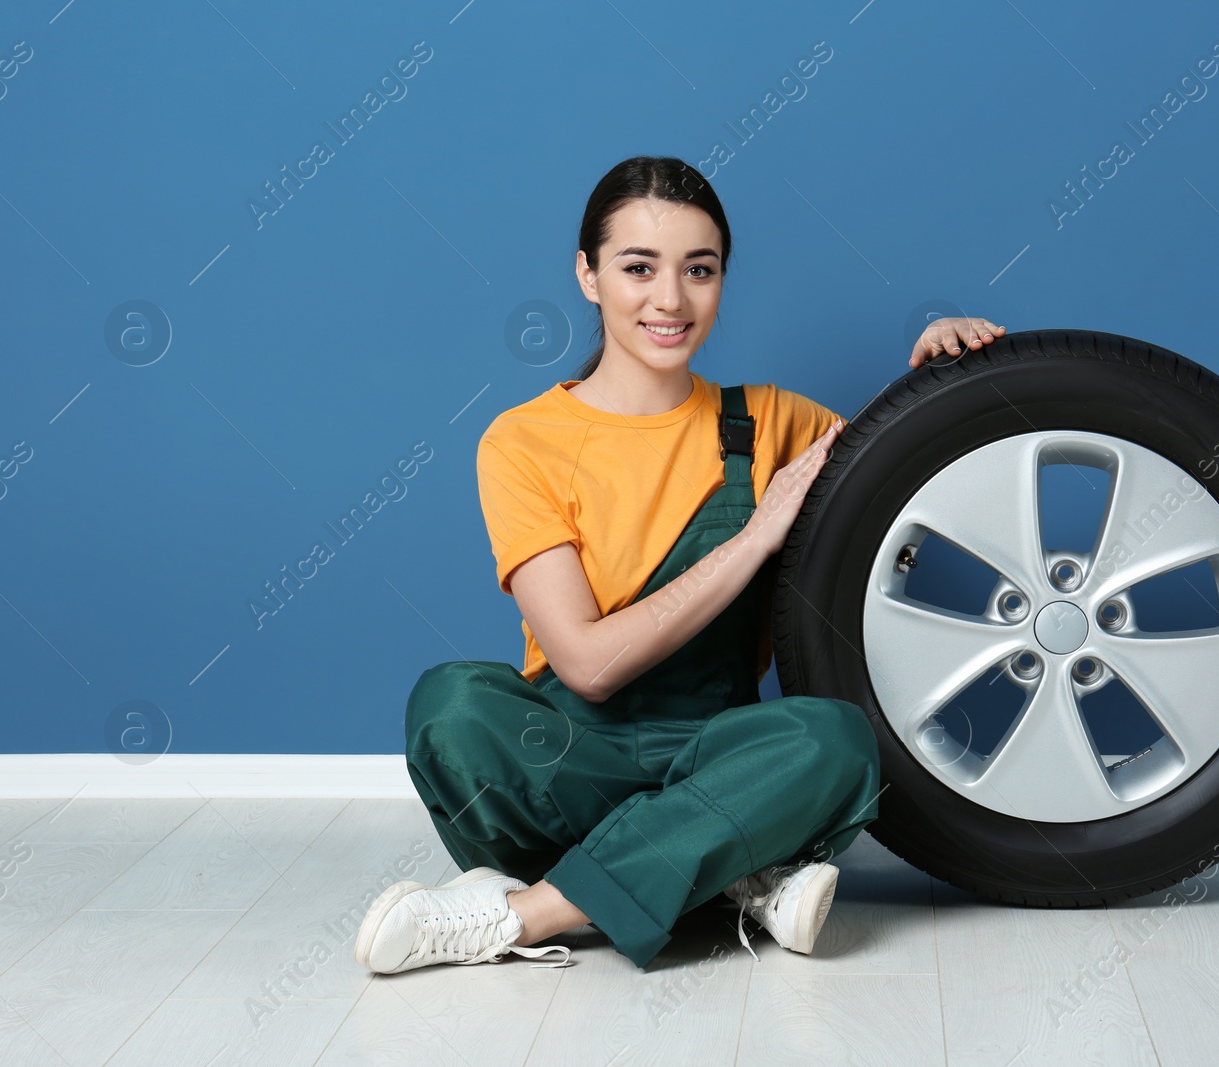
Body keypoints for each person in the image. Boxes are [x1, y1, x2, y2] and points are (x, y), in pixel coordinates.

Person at [353, 155, 1005, 974]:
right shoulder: (521, 442)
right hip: (570, 753)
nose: (671, 300)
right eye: (638, 268)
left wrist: (946, 377)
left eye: (700, 270)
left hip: (718, 750)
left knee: (836, 739)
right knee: (449, 705)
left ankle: (525, 913)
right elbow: (586, 664)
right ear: (587, 275)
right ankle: (731, 872)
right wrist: (754, 538)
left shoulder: (773, 421)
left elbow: (929, 501)